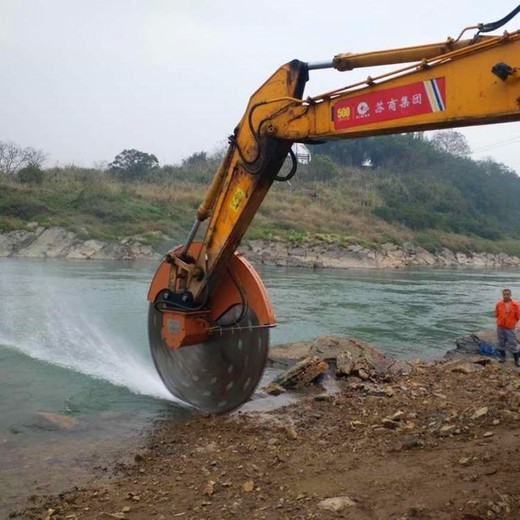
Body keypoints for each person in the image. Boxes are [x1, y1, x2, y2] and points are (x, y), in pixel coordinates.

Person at [495, 288, 520, 366]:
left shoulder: (516, 305)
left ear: (510, 295)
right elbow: (496, 314)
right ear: (502, 295)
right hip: (500, 326)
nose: (506, 296)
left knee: (512, 343)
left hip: (510, 327)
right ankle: (503, 358)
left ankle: (516, 360)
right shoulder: (499, 304)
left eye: (507, 294)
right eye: (504, 294)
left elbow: (518, 316)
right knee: (501, 342)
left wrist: (512, 323)